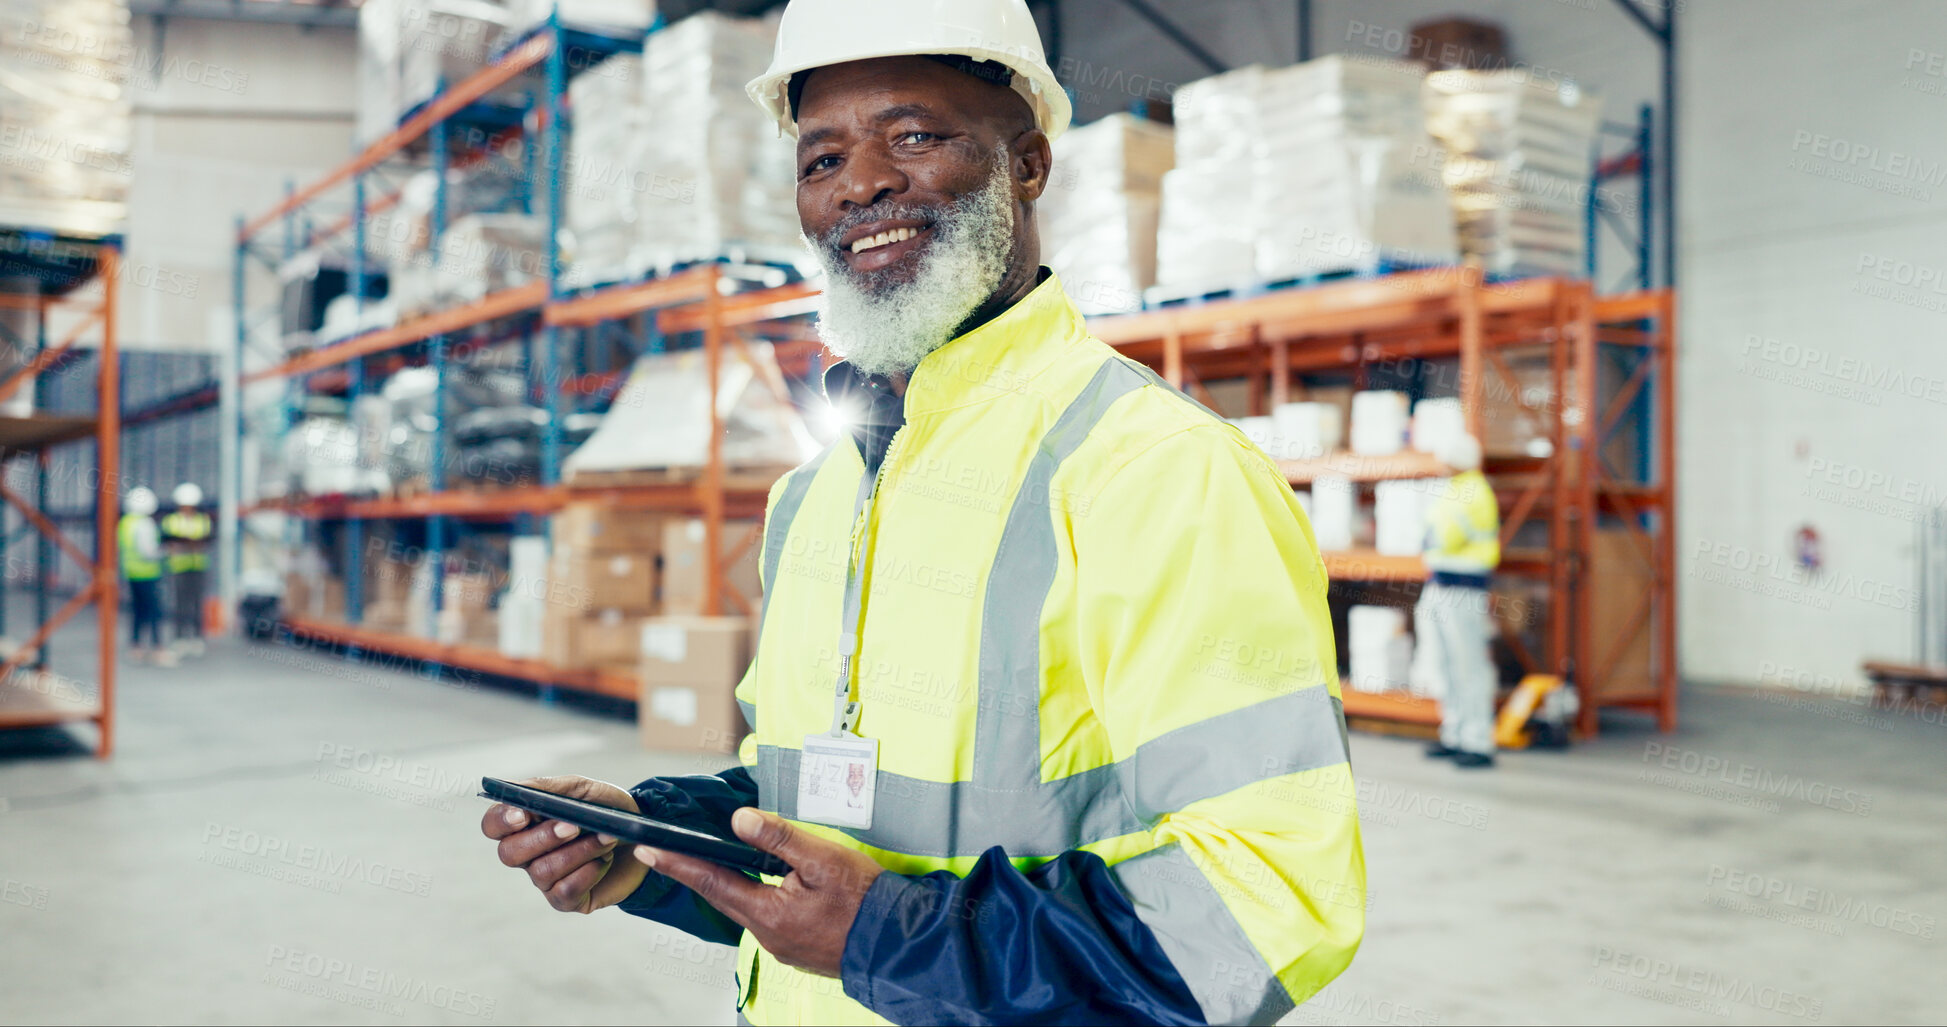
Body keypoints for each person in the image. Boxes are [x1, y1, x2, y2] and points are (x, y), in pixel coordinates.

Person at [480, 2, 1364, 1022]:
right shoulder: (815, 497)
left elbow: (1268, 900)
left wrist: (891, 935)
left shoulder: (1159, 470)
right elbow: (834, 818)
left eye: (914, 135)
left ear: (1027, 163)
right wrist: (650, 842)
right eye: (822, 160)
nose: (862, 182)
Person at [1417, 432, 1501, 768]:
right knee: (1445, 664)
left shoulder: (1475, 492)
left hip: (1463, 590)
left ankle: (1478, 741)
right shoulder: (1454, 489)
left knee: (1468, 666)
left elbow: (1444, 537)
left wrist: (1427, 538)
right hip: (1439, 586)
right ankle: (1454, 733)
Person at [119, 486, 171, 667]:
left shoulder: (125, 522)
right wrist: (165, 551)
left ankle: (136, 646)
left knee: (138, 611)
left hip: (131, 574)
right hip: (148, 574)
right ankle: (158, 649)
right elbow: (148, 552)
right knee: (155, 611)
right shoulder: (144, 524)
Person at [161, 483, 212, 657]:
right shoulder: (172, 520)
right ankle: (180, 638)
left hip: (198, 566)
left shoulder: (203, 520)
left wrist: (186, 543)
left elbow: (207, 540)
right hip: (179, 567)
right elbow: (168, 540)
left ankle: (197, 638)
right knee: (180, 604)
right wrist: (189, 543)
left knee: (197, 603)